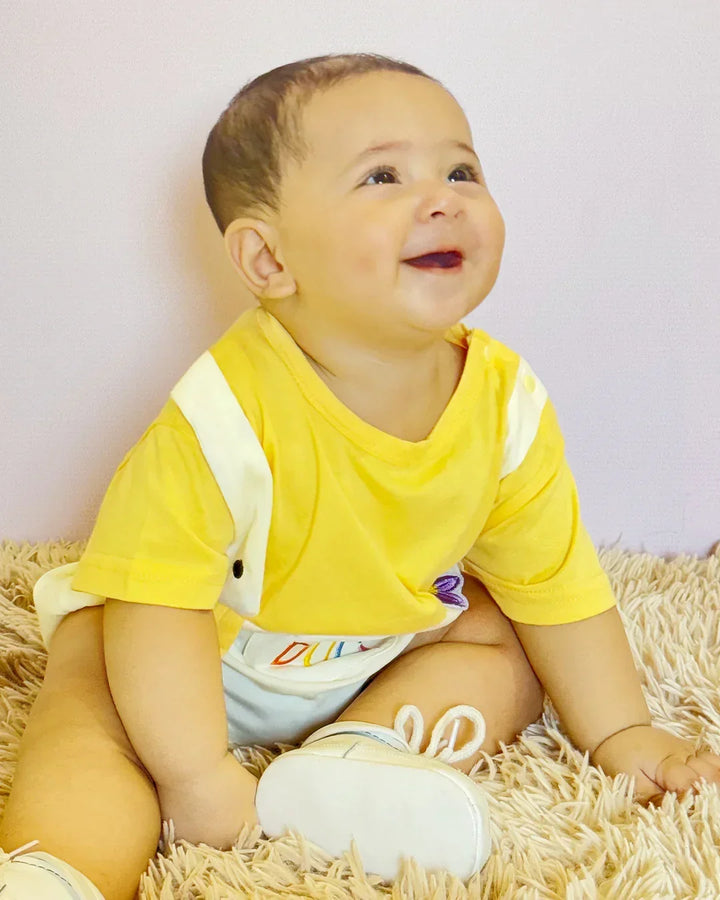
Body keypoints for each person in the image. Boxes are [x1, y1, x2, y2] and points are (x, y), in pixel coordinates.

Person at [2, 51, 719, 900]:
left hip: (368, 657)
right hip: (197, 655)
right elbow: (159, 604)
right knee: (87, 719)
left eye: (462, 169)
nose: (442, 196)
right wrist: (196, 776)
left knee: (515, 641)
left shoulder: (504, 405)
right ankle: (60, 873)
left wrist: (622, 731)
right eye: (383, 175)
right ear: (269, 262)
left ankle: (359, 758)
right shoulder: (223, 416)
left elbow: (558, 585)